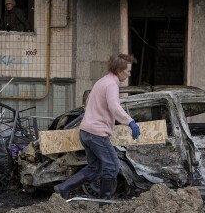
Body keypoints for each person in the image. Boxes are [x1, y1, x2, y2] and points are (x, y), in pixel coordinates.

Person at [55, 53, 141, 200]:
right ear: (120, 70)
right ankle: (104, 201)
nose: (129, 74)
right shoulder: (111, 85)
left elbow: (88, 103)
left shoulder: (101, 82)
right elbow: (114, 106)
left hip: (86, 131)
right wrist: (130, 122)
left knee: (95, 167)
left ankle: (63, 187)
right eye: (128, 71)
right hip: (97, 134)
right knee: (112, 166)